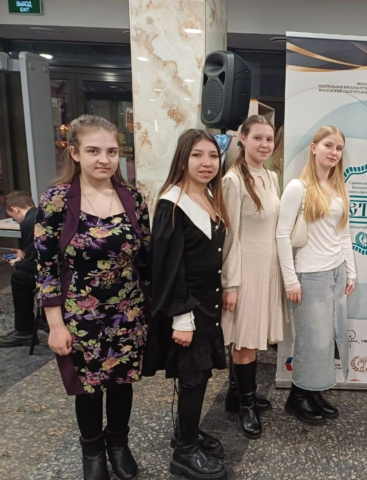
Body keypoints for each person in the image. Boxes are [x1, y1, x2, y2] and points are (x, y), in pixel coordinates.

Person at [35, 115, 150, 480]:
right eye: (93, 150)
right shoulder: (56, 200)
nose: (104, 159)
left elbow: (145, 259)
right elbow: (46, 267)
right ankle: (92, 452)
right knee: (88, 388)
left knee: (122, 381)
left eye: (112, 151)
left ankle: (118, 444)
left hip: (127, 310)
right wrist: (55, 326)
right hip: (79, 314)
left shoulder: (133, 198)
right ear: (75, 153)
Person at [143, 129, 229, 480]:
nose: (206, 163)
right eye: (197, 155)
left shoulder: (208, 196)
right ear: (182, 160)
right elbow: (166, 266)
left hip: (208, 304)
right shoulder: (172, 204)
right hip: (188, 307)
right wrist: (181, 316)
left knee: (201, 373)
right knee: (192, 375)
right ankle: (184, 452)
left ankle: (186, 431)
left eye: (212, 155)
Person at [276, 125, 356, 424]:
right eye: (328, 145)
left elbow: (343, 234)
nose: (334, 152)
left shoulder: (339, 187)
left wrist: (351, 271)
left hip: (336, 273)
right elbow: (282, 234)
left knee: (328, 339)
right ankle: (297, 396)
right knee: (312, 340)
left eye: (339, 148)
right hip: (309, 274)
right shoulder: (298, 187)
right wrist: (290, 280)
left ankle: (314, 391)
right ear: (314, 148)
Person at [221, 115, 285, 439]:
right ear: (243, 139)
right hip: (246, 267)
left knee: (255, 337)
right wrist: (230, 283)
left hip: (268, 266)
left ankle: (237, 395)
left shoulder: (272, 177)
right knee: (244, 339)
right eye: (257, 138)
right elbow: (230, 236)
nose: (264, 144)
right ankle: (246, 405)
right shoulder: (233, 180)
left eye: (269, 139)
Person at [0, 191, 38, 348]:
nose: (15, 220)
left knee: (19, 277)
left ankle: (24, 331)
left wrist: (17, 263)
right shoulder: (40, 215)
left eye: (13, 217)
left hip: (51, 275)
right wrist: (23, 255)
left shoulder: (28, 223)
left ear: (15, 210)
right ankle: (41, 321)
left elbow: (33, 265)